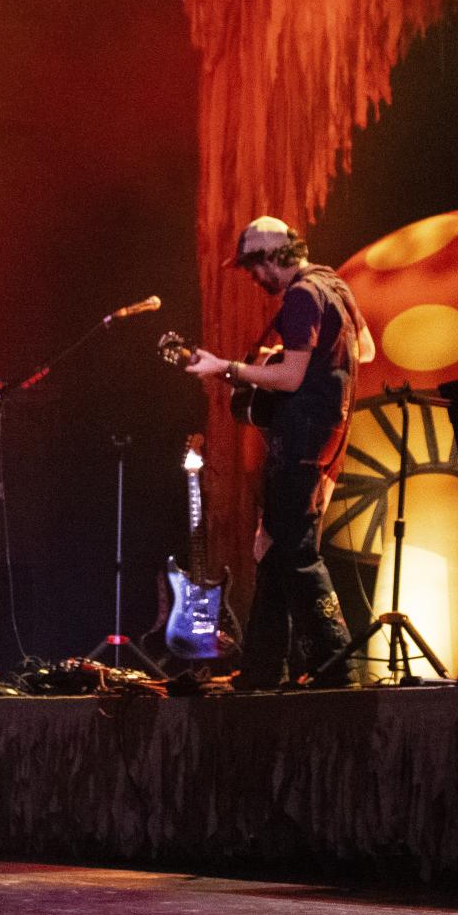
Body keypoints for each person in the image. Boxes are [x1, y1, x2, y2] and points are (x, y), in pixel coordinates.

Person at [185, 216, 375, 687]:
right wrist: (285, 355)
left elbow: (291, 379)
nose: (253, 278)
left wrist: (229, 366)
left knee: (296, 552)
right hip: (328, 436)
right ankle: (262, 668)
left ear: (273, 258)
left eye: (253, 267)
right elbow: (365, 350)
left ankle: (338, 665)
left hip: (302, 441)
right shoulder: (335, 287)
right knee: (271, 548)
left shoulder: (301, 296)